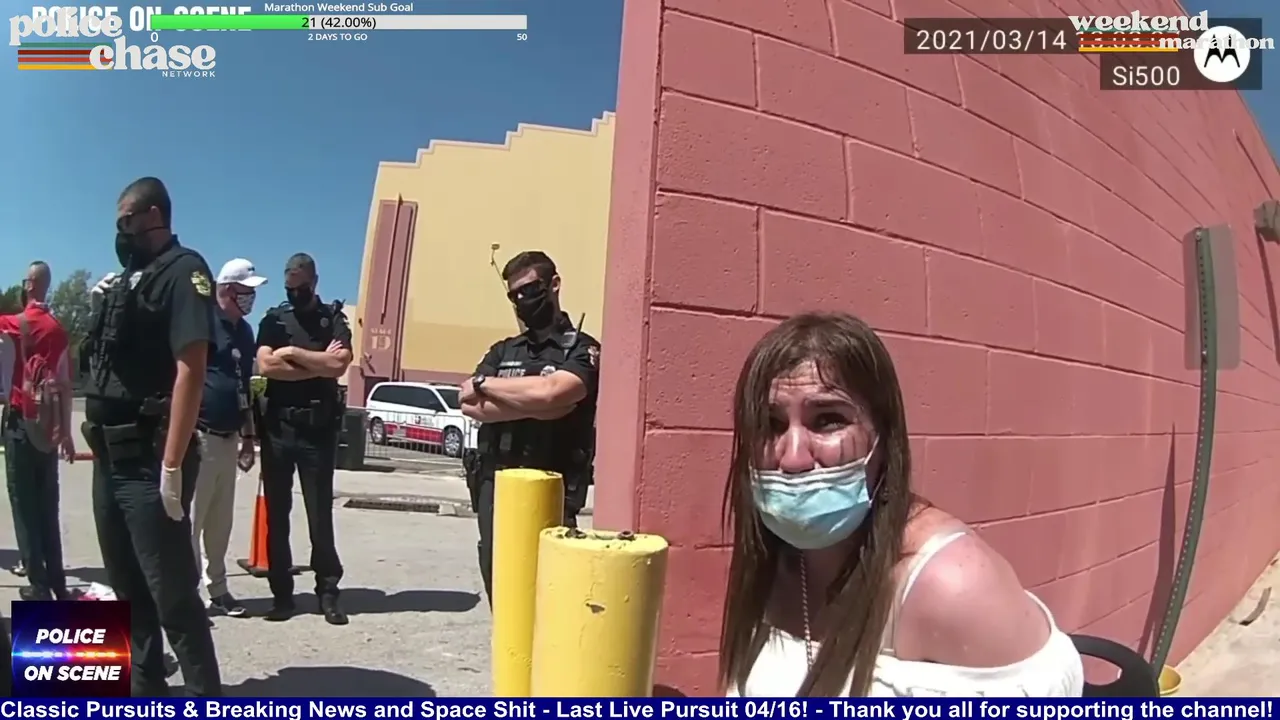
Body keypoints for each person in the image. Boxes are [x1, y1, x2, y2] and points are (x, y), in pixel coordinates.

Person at [718, 312, 1084, 697]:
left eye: (827, 420)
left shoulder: (952, 587)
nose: (793, 458)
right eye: (770, 424)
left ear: (883, 438)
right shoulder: (773, 559)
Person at [81, 177, 222, 696]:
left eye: (126, 221)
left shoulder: (185, 272)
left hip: (148, 458)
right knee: (127, 593)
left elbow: (191, 369)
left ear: (153, 216)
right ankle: (146, 693)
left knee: (173, 597)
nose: (120, 232)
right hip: (108, 455)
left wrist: (172, 465)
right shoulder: (126, 281)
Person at [460, 251, 600, 605]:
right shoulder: (503, 350)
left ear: (554, 285)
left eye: (530, 289)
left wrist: (493, 389)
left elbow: (556, 391)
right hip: (496, 482)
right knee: (500, 583)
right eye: (514, 294)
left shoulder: (582, 349)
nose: (522, 299)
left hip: (552, 484)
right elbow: (468, 401)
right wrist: (537, 405)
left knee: (550, 592)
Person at [255, 253, 353, 625]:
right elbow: (267, 365)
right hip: (278, 429)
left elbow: (339, 364)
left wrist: (295, 354)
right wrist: (317, 364)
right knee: (277, 517)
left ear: (314, 282)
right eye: (290, 288)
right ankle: (282, 595)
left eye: (302, 287)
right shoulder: (274, 320)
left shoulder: (332, 319)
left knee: (319, 516)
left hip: (317, 431)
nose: (296, 294)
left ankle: (328, 592)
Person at [191, 259, 265, 619]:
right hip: (199, 434)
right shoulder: (203, 322)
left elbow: (244, 386)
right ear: (225, 289)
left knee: (220, 525)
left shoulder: (245, 332)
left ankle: (218, 589)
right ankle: (188, 594)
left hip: (229, 437)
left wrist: (248, 435)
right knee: (192, 520)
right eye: (245, 290)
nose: (250, 297)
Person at [0, 262, 76, 601]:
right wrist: (66, 433)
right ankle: (57, 580)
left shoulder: (14, 324)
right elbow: (66, 383)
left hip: (20, 421)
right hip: (48, 426)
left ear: (30, 285)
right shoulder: (58, 329)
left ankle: (38, 584)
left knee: (24, 506)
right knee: (48, 505)